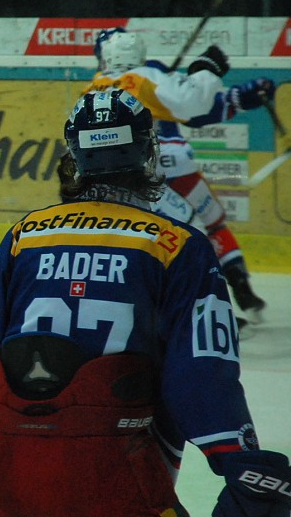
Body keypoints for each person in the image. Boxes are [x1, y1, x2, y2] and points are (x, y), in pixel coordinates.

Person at [0, 88, 290, 517]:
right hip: (114, 488)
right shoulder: (177, 246)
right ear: (148, 153)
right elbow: (200, 374)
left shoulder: (25, 236)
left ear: (75, 157)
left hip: (5, 490)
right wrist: (238, 461)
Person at [86, 28, 273, 323]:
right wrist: (206, 71)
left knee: (167, 235)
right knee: (200, 229)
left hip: (122, 179)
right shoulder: (148, 75)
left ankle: (165, 302)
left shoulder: (94, 88)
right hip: (164, 166)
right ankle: (214, 302)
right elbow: (196, 107)